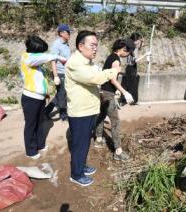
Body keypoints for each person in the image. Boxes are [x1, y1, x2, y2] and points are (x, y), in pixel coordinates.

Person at [65, 30, 121, 186]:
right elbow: (95, 78)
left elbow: (97, 74)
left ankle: (81, 166)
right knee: (79, 144)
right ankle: (76, 174)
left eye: (97, 45)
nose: (95, 48)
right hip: (80, 112)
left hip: (89, 109)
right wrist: (114, 70)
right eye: (92, 45)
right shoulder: (75, 63)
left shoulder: (88, 61)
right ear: (80, 46)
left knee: (84, 142)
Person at [20, 35, 67, 160]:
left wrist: (46, 93)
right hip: (30, 98)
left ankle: (40, 144)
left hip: (39, 97)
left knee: (41, 122)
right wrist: (58, 57)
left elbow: (39, 78)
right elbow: (45, 57)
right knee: (31, 124)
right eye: (40, 51)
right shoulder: (28, 59)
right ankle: (30, 151)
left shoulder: (34, 58)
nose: (42, 53)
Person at [95, 39, 134, 161]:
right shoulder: (116, 60)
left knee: (101, 116)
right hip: (107, 94)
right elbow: (113, 79)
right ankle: (118, 151)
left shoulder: (110, 57)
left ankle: (99, 139)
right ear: (124, 50)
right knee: (115, 122)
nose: (128, 55)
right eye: (129, 52)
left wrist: (116, 89)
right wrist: (124, 92)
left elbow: (108, 77)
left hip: (102, 91)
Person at [44, 24, 72, 121]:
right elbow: (53, 60)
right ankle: (63, 114)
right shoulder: (56, 44)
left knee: (61, 93)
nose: (69, 33)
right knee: (62, 94)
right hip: (59, 73)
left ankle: (45, 111)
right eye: (67, 32)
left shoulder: (66, 44)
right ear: (61, 33)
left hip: (66, 73)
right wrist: (56, 76)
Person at [121, 33, 151, 105]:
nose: (139, 41)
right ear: (134, 40)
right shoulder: (131, 48)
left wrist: (142, 42)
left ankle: (130, 101)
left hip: (132, 67)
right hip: (131, 67)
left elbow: (139, 48)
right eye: (138, 40)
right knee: (130, 84)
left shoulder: (134, 46)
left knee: (131, 84)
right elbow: (135, 60)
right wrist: (145, 55)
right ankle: (128, 101)